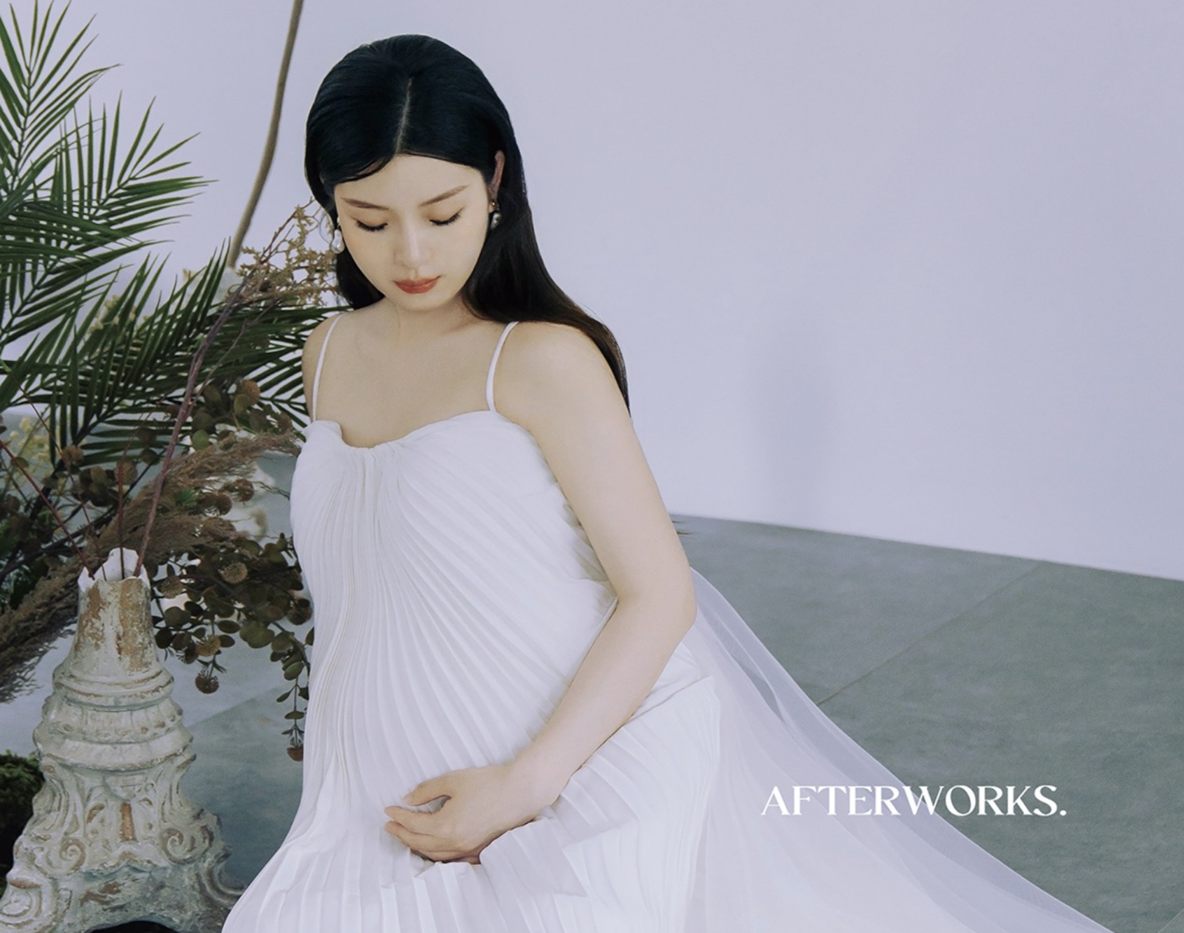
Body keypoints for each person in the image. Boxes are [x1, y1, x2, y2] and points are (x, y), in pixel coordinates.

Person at [221, 34, 1118, 933]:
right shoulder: (327, 353)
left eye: (442, 213)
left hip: (578, 766)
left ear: (494, 182)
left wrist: (524, 785)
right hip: (380, 794)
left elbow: (660, 594)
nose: (411, 252)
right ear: (331, 205)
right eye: (370, 221)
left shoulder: (540, 360)